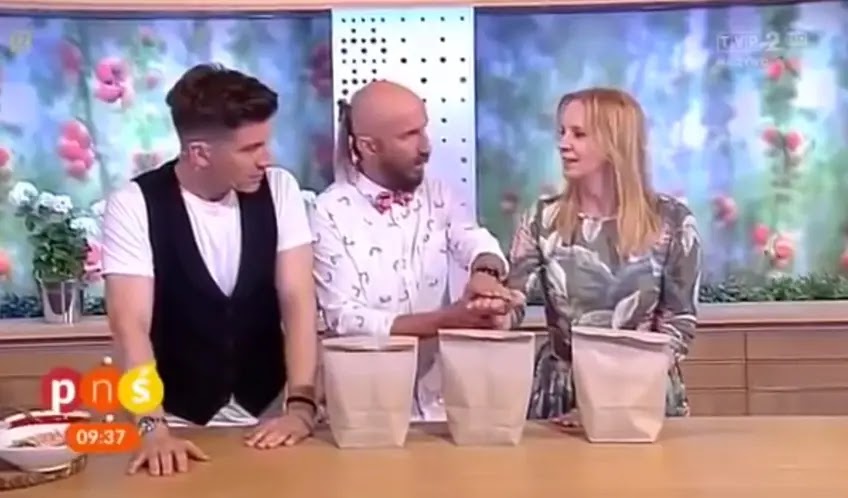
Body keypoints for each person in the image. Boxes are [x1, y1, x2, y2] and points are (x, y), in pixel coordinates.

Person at [101, 64, 319, 476]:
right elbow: (130, 326)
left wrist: (301, 407)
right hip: (176, 422)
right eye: (250, 148)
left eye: (266, 143)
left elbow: (298, 301)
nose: (266, 159)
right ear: (200, 153)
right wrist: (151, 428)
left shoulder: (280, 190)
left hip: (270, 418)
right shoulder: (134, 205)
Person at [480, 87, 702, 422]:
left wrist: (610, 401)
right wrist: (494, 311)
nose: (563, 143)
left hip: (643, 394)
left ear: (616, 142)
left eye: (578, 134)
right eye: (562, 132)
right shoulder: (542, 219)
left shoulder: (672, 221)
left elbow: (677, 326)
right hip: (561, 393)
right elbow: (514, 302)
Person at [310, 80, 515, 421]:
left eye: (424, 129)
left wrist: (485, 274)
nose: (426, 146)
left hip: (440, 409)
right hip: (366, 414)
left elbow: (473, 239)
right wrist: (446, 320)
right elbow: (345, 318)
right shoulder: (328, 212)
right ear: (368, 145)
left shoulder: (439, 195)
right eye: (409, 135)